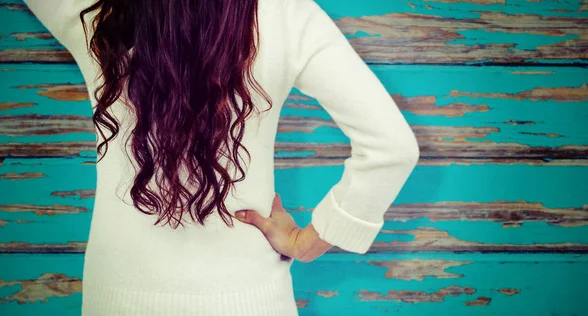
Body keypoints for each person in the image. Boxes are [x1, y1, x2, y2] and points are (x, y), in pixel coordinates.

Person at [22, 0, 420, 315]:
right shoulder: (285, 14)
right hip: (252, 299)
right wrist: (307, 243)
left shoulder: (96, 13)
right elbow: (392, 147)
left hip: (116, 297)